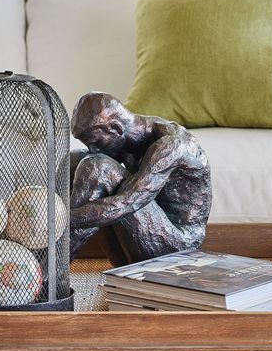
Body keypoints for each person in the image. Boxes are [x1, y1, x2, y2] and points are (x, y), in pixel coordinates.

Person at [69, 92, 212, 263]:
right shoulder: (127, 136)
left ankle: (52, 268)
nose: (93, 149)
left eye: (96, 142)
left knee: (96, 166)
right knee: (76, 160)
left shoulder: (170, 146)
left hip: (178, 243)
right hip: (145, 224)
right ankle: (52, 264)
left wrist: (59, 219)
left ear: (115, 128)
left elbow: (126, 203)